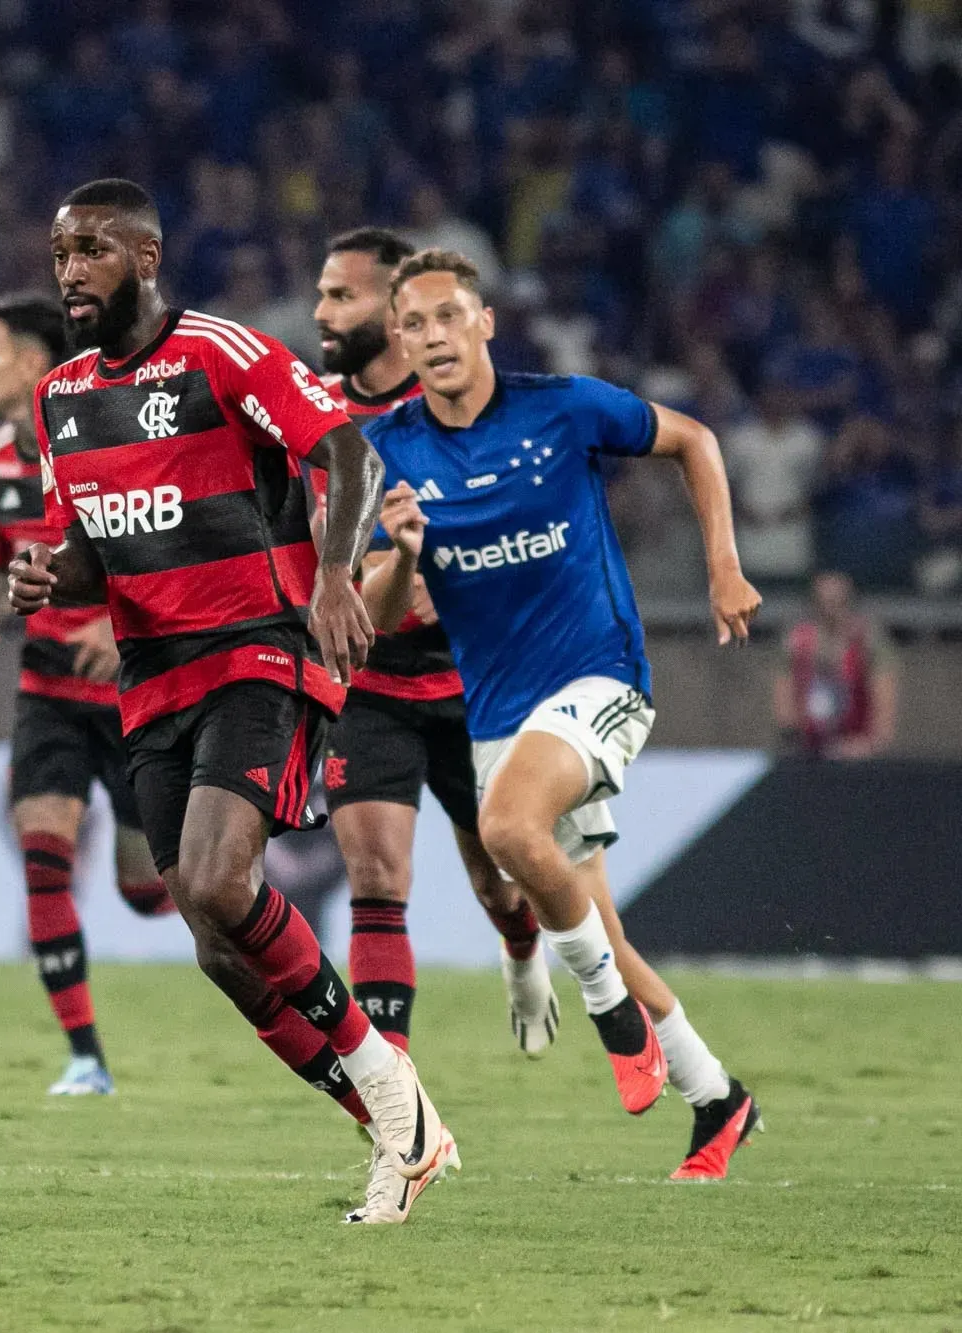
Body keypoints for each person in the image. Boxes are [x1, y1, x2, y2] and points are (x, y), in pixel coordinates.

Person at [8, 179, 453, 1225]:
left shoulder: (223, 353)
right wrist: (48, 579)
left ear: (147, 257)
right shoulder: (59, 397)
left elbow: (340, 448)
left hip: (256, 650)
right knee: (216, 943)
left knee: (216, 880)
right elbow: (90, 554)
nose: (69, 270)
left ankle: (395, 1098)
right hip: (150, 676)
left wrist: (336, 573)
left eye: (90, 250)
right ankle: (395, 1123)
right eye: (58, 251)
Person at [362, 248, 763, 1181]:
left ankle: (609, 1011)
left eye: (449, 315)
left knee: (507, 827)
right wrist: (407, 555)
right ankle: (718, 1098)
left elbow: (695, 440)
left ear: (485, 321)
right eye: (415, 324)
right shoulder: (394, 446)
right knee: (603, 927)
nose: (434, 336)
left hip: (601, 677)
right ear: (401, 343)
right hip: (501, 712)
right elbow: (381, 611)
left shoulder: (564, 406)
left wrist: (723, 564)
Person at [310, 227, 557, 1056]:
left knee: (498, 879)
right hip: (368, 682)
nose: (321, 311)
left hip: (471, 683)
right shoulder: (312, 411)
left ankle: (521, 945)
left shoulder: (463, 405)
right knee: (377, 881)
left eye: (341, 295)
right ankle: (396, 1110)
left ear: (395, 307)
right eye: (322, 293)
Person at [0, 291, 173, 1098]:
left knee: (147, 891)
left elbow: (168, 552)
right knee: (43, 861)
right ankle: (85, 1056)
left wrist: (121, 632)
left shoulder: (109, 442)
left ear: (30, 361)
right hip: (46, 694)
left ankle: (224, 889)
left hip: (134, 693)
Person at [775, 570, 899, 758]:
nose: (830, 610)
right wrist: (794, 736)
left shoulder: (868, 641)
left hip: (857, 750)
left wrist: (869, 744)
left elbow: (884, 706)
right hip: (808, 749)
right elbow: (783, 699)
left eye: (837, 601)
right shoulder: (796, 641)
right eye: (822, 602)